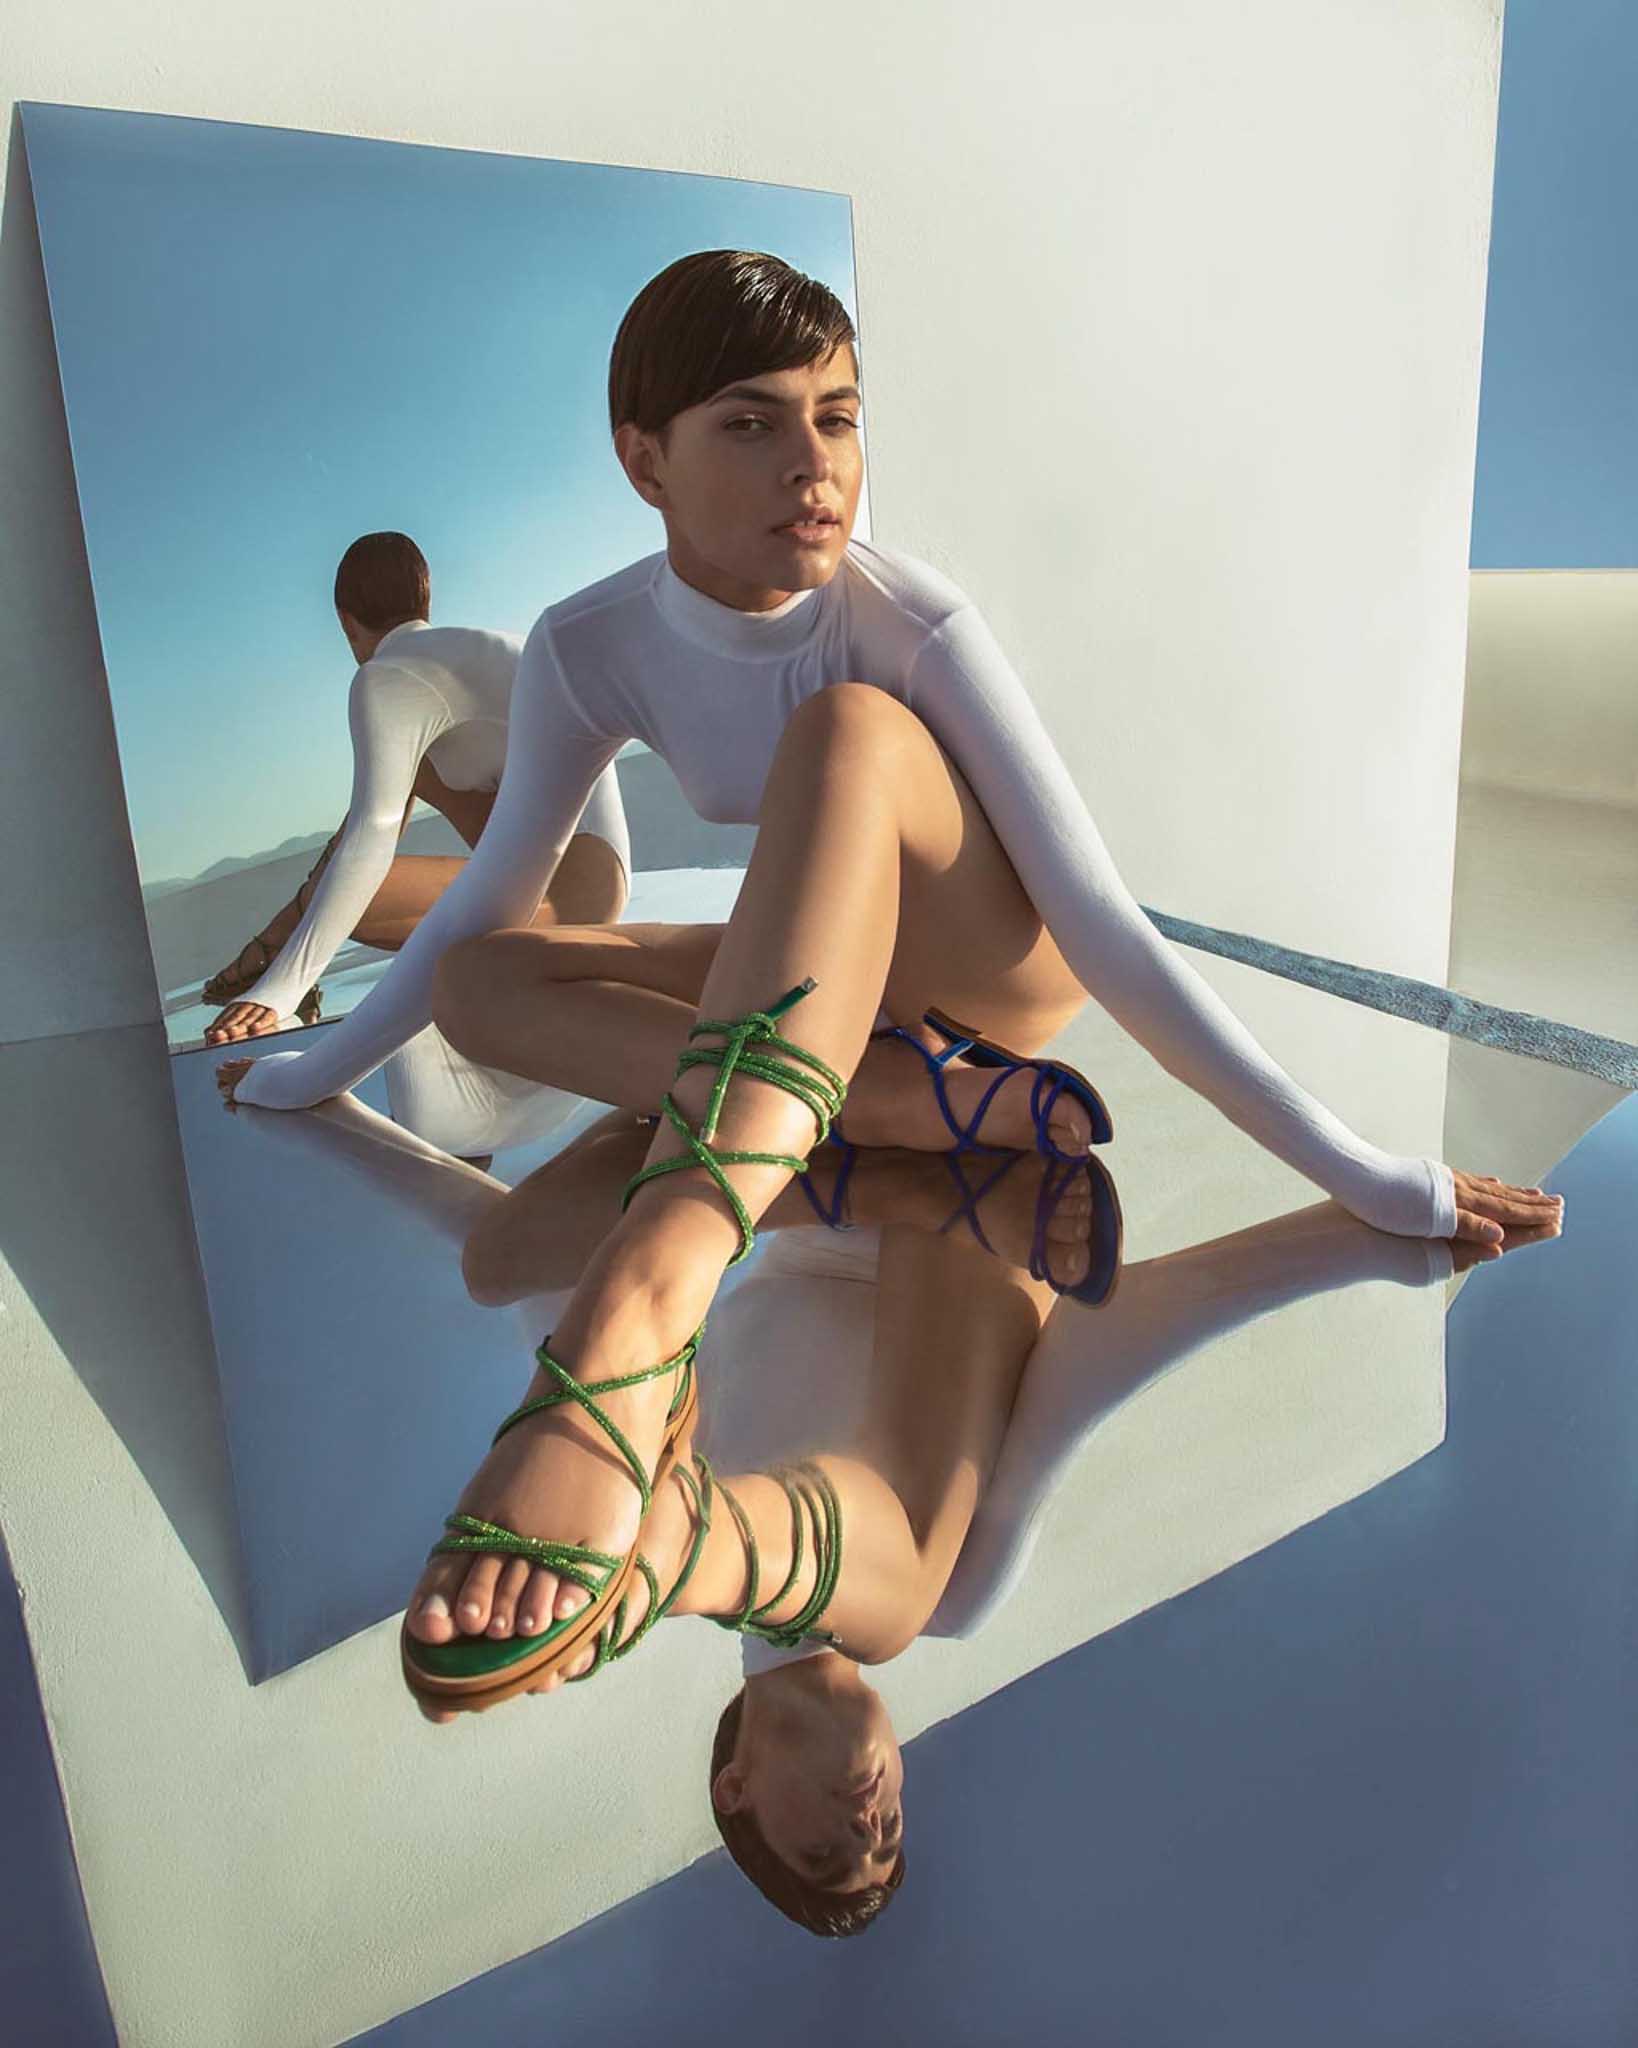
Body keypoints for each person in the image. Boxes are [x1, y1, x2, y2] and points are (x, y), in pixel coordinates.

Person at [216, 248, 1561, 1739]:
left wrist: (1362, 1173)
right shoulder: (589, 647)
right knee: (478, 981)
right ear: (644, 461)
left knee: (848, 733)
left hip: (986, 985)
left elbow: (1106, 929)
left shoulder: (903, 621)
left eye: (838, 416)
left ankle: (648, 1297)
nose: (814, 464)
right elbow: (484, 895)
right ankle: (887, 1112)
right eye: (752, 423)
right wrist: (316, 1056)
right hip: (830, 1001)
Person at [201, 531, 630, 1046]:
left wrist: (280, 991)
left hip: (567, 896)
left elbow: (372, 834)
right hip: (600, 873)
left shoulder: (386, 676)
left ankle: (273, 960)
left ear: (346, 622)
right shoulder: (488, 646)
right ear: (425, 599)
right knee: (409, 774)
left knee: (343, 888)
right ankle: (274, 946)